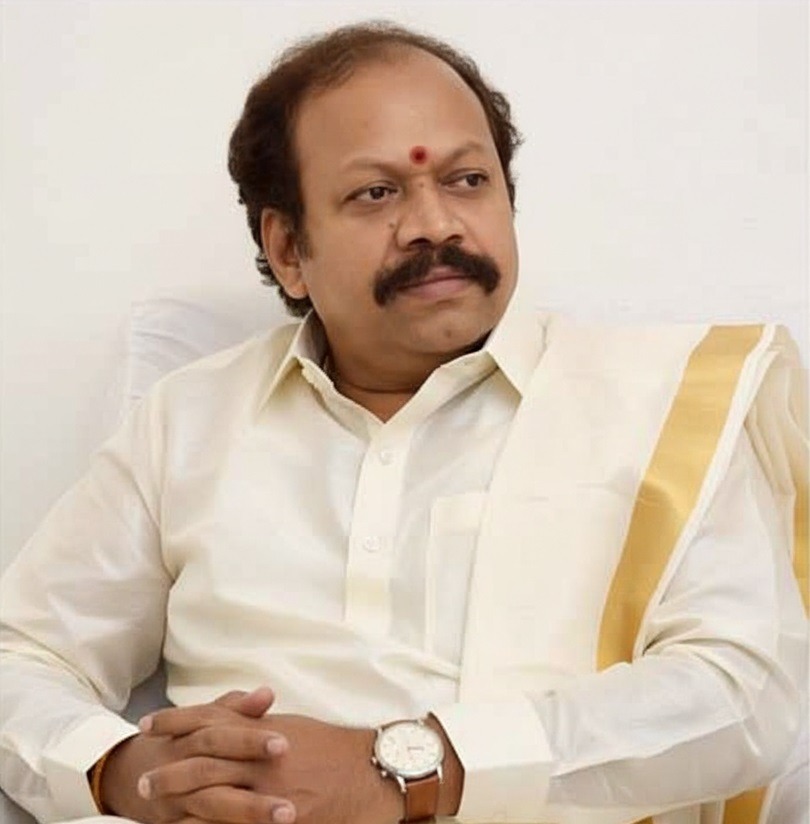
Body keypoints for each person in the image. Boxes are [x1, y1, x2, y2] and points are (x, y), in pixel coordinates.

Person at [0, 20, 807, 824]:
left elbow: (749, 692)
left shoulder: (661, 401)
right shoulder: (189, 420)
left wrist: (410, 769)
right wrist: (118, 769)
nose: (436, 223)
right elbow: (22, 655)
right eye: (376, 193)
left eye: (467, 180)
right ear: (288, 250)